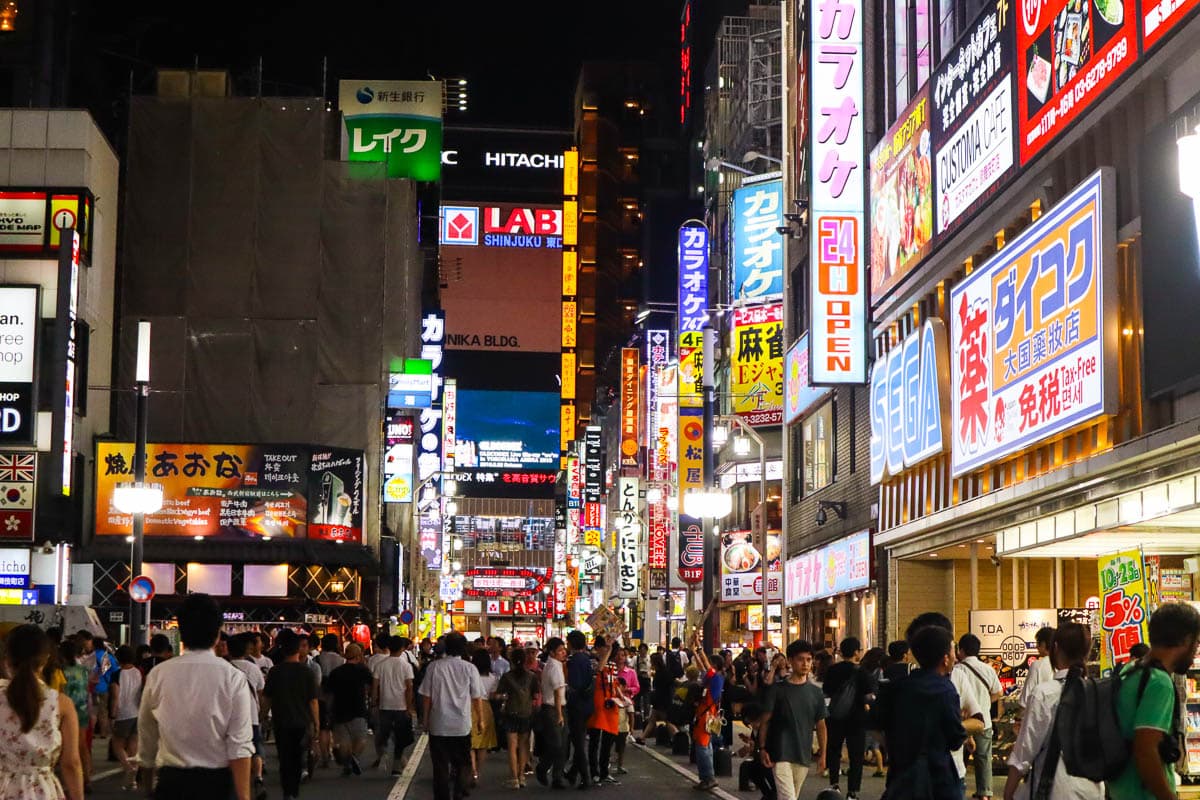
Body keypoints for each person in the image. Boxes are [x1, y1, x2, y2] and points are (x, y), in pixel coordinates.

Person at [137, 593, 255, 800]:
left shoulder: (159, 674)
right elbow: (239, 747)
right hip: (218, 784)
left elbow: (147, 734)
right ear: (218, 634)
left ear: (181, 632)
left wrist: (148, 784)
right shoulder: (233, 678)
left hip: (171, 782)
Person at [1109, 602, 1200, 800]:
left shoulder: (1131, 671)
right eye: (1196, 642)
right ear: (1185, 640)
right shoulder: (1159, 683)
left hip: (1120, 791)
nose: (1196, 651)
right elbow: (1145, 751)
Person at [1002, 622, 1102, 800]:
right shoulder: (1098, 692)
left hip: (1055, 789)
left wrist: (1008, 793)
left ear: (1055, 648)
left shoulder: (1044, 693)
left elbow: (1024, 752)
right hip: (1093, 791)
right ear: (1087, 652)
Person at [877, 622, 969, 800]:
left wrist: (893, 744)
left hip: (900, 778)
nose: (955, 657)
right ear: (945, 658)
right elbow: (955, 739)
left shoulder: (898, 687)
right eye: (952, 651)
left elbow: (874, 723)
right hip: (937, 780)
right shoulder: (945, 690)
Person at [759, 639, 828, 800]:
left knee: (790, 797)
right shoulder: (777, 690)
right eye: (800, 659)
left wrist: (823, 754)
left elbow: (821, 725)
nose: (805, 664)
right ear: (790, 661)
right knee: (788, 797)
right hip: (780, 752)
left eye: (809, 660)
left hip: (803, 753)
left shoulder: (816, 693)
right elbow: (766, 721)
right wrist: (762, 748)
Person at [420, 632, 486, 800]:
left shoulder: (434, 667)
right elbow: (477, 697)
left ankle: (442, 797)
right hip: (461, 724)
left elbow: (426, 697)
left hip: (439, 723)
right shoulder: (469, 668)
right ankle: (459, 791)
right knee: (463, 762)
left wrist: (425, 720)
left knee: (440, 766)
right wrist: (481, 720)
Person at [263, 629, 319, 800]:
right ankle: (293, 790)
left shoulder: (275, 671)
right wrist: (316, 722)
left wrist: (263, 716)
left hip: (281, 721)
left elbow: (267, 698)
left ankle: (288, 791)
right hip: (302, 722)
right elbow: (313, 701)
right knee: (297, 756)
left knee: (285, 757)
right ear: (297, 650)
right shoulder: (307, 672)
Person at [823, 637, 874, 800]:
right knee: (856, 756)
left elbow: (827, 691)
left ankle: (834, 785)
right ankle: (852, 792)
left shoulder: (832, 670)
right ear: (855, 652)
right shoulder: (862, 672)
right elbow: (869, 695)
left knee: (834, 750)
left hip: (835, 716)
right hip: (857, 718)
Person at [954, 633, 1003, 800]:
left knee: (959, 758)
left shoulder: (957, 670)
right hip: (984, 722)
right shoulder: (988, 669)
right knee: (983, 759)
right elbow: (998, 692)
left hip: (963, 723)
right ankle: (984, 793)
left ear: (961, 650)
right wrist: (984, 704)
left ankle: (958, 788)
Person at [229, 633, 268, 800]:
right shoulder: (253, 668)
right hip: (251, 713)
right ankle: (258, 776)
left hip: (231, 715)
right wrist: (263, 711)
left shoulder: (226, 667)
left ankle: (236, 781)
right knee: (256, 746)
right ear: (246, 650)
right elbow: (261, 692)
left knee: (236, 748)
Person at [326, 643, 373, 776]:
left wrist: (328, 711)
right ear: (359, 656)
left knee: (343, 741)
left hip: (339, 710)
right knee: (361, 738)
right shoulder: (363, 670)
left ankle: (347, 763)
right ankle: (353, 757)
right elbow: (371, 685)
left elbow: (329, 693)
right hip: (358, 708)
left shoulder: (336, 672)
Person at [372, 635, 415, 776]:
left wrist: (374, 702)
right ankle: (396, 765)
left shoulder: (380, 665)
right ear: (402, 648)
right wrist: (409, 707)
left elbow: (375, 686)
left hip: (384, 705)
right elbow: (409, 687)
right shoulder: (406, 665)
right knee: (400, 737)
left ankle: (383, 754)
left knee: (383, 733)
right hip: (401, 706)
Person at [497, 645, 539, 788]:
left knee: (512, 746)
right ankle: (522, 776)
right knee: (523, 746)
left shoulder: (507, 677)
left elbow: (499, 694)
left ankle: (514, 777)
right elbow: (536, 695)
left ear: (512, 661)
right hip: (526, 714)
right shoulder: (532, 677)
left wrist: (504, 697)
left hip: (511, 713)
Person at [691, 634, 727, 792]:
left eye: (711, 664)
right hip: (704, 715)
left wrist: (698, 645)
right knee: (705, 746)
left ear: (715, 666)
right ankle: (706, 777)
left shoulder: (717, 678)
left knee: (703, 748)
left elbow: (705, 665)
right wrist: (693, 650)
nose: (707, 667)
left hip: (707, 716)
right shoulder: (712, 679)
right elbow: (701, 666)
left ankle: (708, 778)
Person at [585, 639, 622, 786]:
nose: (609, 650)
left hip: (611, 705)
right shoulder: (592, 661)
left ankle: (604, 772)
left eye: (610, 648)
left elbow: (614, 682)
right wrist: (608, 651)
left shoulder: (612, 664)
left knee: (608, 740)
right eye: (605, 647)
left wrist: (621, 696)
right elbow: (598, 670)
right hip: (597, 705)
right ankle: (594, 772)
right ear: (598, 648)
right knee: (594, 740)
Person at [109, 645, 143, 792]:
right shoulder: (139, 672)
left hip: (123, 714)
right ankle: (132, 781)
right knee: (133, 744)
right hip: (137, 712)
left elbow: (115, 697)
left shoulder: (117, 674)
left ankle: (128, 768)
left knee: (117, 745)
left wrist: (112, 715)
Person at [536, 638, 569, 789]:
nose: (564, 653)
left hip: (554, 708)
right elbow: (556, 692)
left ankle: (557, 776)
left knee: (560, 744)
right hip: (554, 709)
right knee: (557, 744)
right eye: (560, 650)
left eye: (564, 650)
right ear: (552, 652)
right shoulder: (554, 667)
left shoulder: (553, 664)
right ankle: (544, 768)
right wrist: (560, 714)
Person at [564, 630, 594, 789]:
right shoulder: (587, 659)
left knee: (578, 742)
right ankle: (573, 773)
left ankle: (585, 777)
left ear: (572, 643)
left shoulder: (575, 661)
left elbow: (575, 684)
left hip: (577, 706)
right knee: (579, 740)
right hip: (588, 704)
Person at [314, 634, 345, 769]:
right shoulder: (342, 660)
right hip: (338, 697)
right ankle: (337, 748)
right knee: (338, 727)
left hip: (321, 697)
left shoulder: (316, 659)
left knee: (323, 729)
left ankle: (325, 756)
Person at [469, 647, 500, 784]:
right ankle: (477, 773)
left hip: (470, 707)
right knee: (483, 745)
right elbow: (493, 696)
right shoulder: (493, 678)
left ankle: (473, 770)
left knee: (470, 743)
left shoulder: (470, 675)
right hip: (486, 709)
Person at [637, 651, 678, 742]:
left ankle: (677, 738)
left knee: (667, 721)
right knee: (654, 720)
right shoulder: (664, 672)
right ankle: (643, 737)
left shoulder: (660, 673)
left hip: (662, 701)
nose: (650, 663)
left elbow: (660, 688)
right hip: (663, 700)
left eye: (651, 661)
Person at [1018, 627, 1056, 709]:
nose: (1036, 647)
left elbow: (1025, 700)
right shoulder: (1063, 664)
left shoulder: (1037, 665)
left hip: (1040, 717)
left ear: (1043, 644)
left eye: (1037, 643)